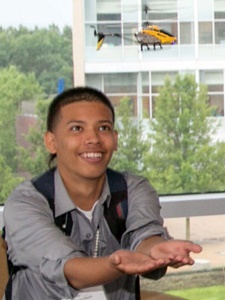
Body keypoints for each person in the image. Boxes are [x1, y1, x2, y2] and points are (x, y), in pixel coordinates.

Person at [3, 86, 202, 300]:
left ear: (115, 139)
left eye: (104, 128)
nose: (94, 139)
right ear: (51, 142)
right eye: (77, 128)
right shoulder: (26, 202)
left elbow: (144, 235)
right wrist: (117, 264)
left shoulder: (133, 190)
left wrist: (156, 249)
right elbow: (71, 270)